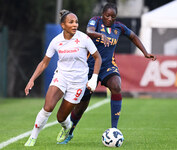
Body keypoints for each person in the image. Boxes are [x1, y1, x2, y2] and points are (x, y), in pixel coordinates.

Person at [57, 3, 157, 144]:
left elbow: (133, 36)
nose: (109, 19)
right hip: (89, 67)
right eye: (107, 15)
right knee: (81, 105)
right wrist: (100, 35)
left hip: (108, 66)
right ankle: (69, 132)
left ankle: (114, 130)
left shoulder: (119, 27)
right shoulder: (96, 21)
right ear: (102, 14)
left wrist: (145, 52)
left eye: (113, 17)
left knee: (116, 86)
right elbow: (89, 31)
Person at [24, 9, 102, 146]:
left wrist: (94, 78)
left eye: (76, 22)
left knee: (61, 117)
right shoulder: (56, 41)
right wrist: (32, 79)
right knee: (47, 107)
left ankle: (66, 127)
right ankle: (32, 137)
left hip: (78, 82)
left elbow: (98, 58)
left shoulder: (84, 38)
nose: (75, 25)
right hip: (61, 77)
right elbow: (44, 62)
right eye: (71, 22)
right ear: (63, 25)